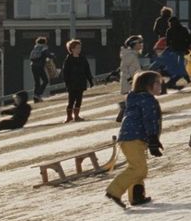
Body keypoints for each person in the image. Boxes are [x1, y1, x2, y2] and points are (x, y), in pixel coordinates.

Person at [105, 71, 163, 208]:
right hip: (133, 138)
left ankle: (137, 196)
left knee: (138, 167)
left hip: (131, 138)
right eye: (157, 83)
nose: (161, 85)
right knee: (139, 169)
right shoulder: (147, 100)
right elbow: (149, 120)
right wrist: (153, 139)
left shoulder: (136, 98)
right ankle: (114, 190)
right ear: (148, 85)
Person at [61, 39, 94, 123]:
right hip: (72, 83)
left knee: (79, 99)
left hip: (81, 82)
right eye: (77, 48)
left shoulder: (83, 58)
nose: (79, 49)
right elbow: (65, 72)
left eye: (80, 47)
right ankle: (69, 117)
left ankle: (76, 116)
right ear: (72, 49)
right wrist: (67, 83)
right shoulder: (68, 60)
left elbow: (87, 70)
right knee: (71, 100)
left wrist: (90, 80)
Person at [117, 35, 144, 123]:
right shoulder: (130, 55)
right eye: (139, 43)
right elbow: (124, 68)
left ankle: (124, 110)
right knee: (135, 98)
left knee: (134, 98)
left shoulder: (132, 54)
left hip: (133, 80)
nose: (141, 44)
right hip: (130, 82)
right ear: (133, 44)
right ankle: (124, 109)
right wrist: (130, 80)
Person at [164, 17, 191, 86]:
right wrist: (187, 46)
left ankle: (179, 79)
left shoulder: (170, 30)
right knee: (180, 64)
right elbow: (188, 39)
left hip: (174, 49)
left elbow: (168, 41)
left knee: (177, 65)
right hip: (182, 49)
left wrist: (168, 47)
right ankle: (186, 78)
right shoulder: (183, 29)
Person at [29, 37, 57, 103]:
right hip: (40, 67)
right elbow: (49, 55)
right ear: (44, 42)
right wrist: (53, 55)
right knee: (45, 80)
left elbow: (31, 57)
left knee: (37, 82)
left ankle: (35, 97)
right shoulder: (44, 48)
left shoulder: (35, 48)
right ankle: (38, 94)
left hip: (33, 66)